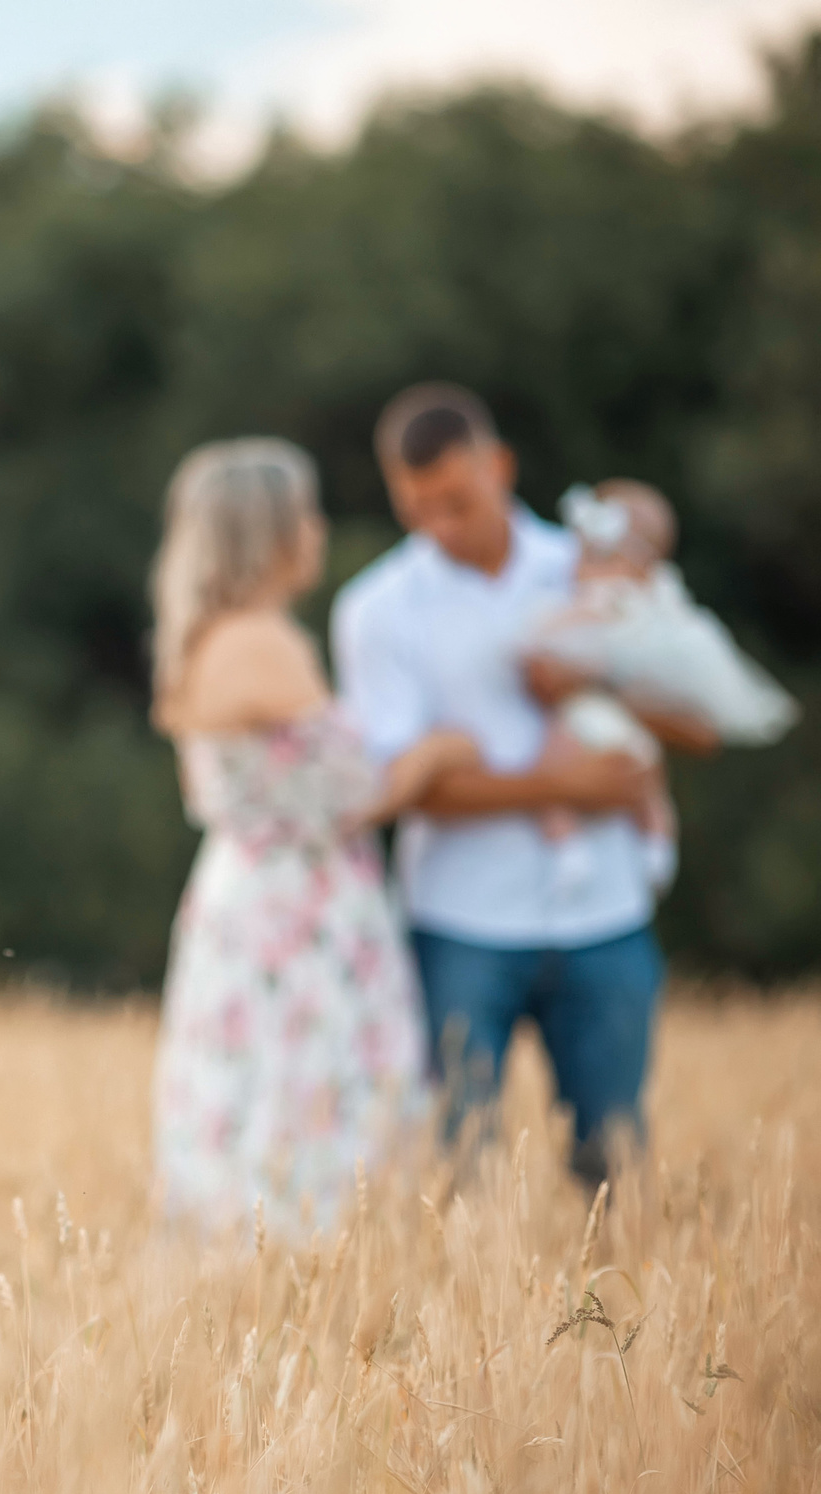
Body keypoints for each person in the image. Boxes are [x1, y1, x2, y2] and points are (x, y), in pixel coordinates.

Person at [331, 386, 710, 1188]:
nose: (438, 525)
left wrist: (600, 686)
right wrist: (563, 782)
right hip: (459, 918)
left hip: (605, 913)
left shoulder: (594, 568)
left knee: (614, 1160)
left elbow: (701, 721)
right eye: (416, 507)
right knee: (455, 1164)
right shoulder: (375, 609)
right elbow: (402, 786)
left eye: (456, 502)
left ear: (499, 466)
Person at [149, 438, 477, 1228]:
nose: (319, 531)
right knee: (310, 1105)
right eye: (308, 514)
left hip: (242, 895)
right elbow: (352, 793)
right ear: (269, 532)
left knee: (245, 1100)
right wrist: (437, 750)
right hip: (301, 913)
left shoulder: (199, 639)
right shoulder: (265, 642)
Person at [527, 478, 799, 891]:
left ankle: (605, 846)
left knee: (584, 770)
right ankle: (638, 845)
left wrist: (587, 676)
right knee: (628, 779)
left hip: (601, 721)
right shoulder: (660, 604)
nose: (580, 562)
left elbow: (702, 733)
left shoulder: (617, 603)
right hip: (601, 721)